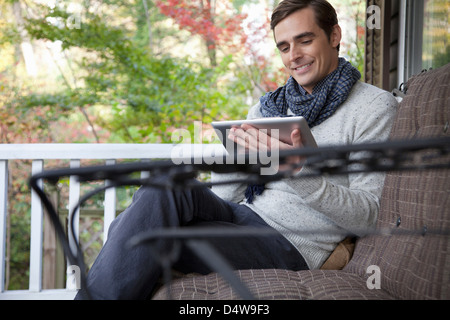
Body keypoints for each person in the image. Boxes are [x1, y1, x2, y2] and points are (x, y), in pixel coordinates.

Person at [75, 0, 398, 300]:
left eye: (305, 40)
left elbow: (369, 215)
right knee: (163, 185)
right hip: (246, 215)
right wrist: (236, 163)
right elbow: (230, 196)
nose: (293, 56)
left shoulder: (371, 107)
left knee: (140, 233)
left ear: (334, 35)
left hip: (291, 243)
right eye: (284, 47)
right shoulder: (271, 106)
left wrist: (298, 170)